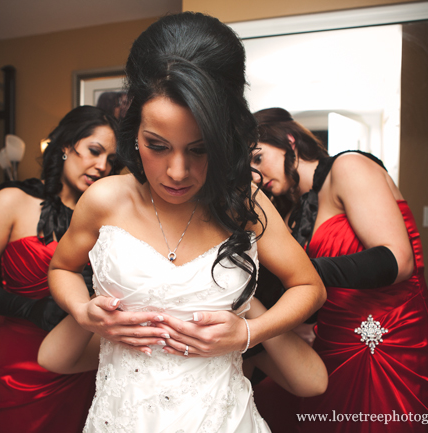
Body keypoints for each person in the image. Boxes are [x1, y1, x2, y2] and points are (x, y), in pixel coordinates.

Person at [45, 12, 327, 433]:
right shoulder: (105, 199)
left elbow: (310, 287)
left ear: (225, 138)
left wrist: (248, 334)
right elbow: (61, 268)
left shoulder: (243, 204)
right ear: (133, 132)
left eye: (199, 149)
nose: (177, 172)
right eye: (157, 146)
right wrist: (83, 312)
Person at [249, 107, 428, 433]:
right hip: (333, 342)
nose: (256, 173)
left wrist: (304, 273)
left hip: (392, 334)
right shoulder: (292, 215)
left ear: (289, 140)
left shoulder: (348, 167)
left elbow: (398, 259)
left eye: (257, 157)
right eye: (248, 168)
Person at [0, 105, 118, 433]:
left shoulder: (106, 217)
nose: (101, 166)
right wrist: (30, 310)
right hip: (19, 353)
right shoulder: (12, 199)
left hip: (81, 354)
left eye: (111, 161)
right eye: (94, 151)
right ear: (64, 146)